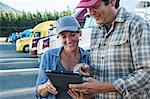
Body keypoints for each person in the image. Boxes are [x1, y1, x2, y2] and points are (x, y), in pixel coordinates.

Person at [69, 0, 150, 99]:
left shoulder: (136, 25)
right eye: (87, 8)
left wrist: (102, 87)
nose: (90, 12)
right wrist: (86, 68)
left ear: (112, 2)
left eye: (94, 6)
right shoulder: (95, 32)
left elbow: (146, 73)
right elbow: (104, 70)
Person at [36, 16, 90, 99]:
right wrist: (46, 86)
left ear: (80, 33)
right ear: (58, 37)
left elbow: (96, 92)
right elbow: (39, 92)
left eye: (72, 35)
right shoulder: (48, 56)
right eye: (63, 36)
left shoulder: (88, 57)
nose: (68, 41)